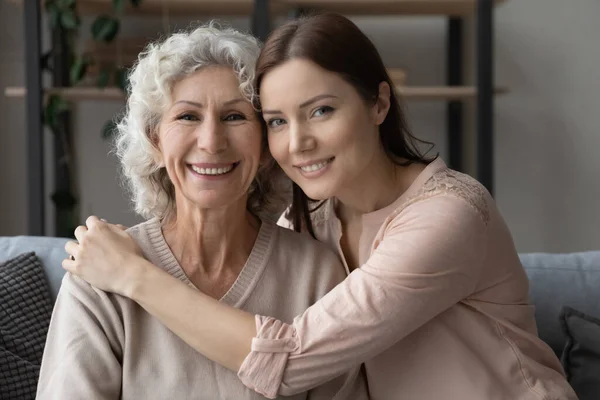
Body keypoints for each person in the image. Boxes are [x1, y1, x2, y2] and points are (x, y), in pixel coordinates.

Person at [63, 13, 578, 400]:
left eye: (322, 111)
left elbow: (288, 361)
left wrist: (134, 276)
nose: (299, 142)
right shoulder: (313, 223)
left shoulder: (449, 216)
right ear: (155, 138)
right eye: (279, 121)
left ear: (379, 103)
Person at [36, 23, 368, 400]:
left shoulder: (317, 274)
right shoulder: (96, 276)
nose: (211, 142)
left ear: (264, 145)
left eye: (235, 117)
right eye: (188, 117)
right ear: (155, 140)